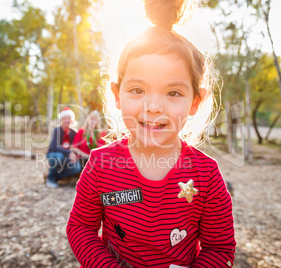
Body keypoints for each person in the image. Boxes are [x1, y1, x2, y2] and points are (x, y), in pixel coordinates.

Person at [66, 0, 236, 267]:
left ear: (195, 102)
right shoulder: (100, 166)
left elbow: (220, 247)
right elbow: (81, 228)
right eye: (137, 90)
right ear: (117, 95)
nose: (153, 107)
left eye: (173, 93)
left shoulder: (206, 174)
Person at [45, 106, 82, 188]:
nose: (67, 120)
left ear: (72, 120)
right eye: (65, 118)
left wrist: (74, 155)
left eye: (69, 118)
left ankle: (56, 177)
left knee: (77, 167)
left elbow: (75, 146)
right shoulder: (56, 130)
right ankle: (50, 179)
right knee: (58, 157)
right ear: (61, 119)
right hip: (53, 154)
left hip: (67, 155)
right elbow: (53, 147)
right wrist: (69, 152)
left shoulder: (73, 133)